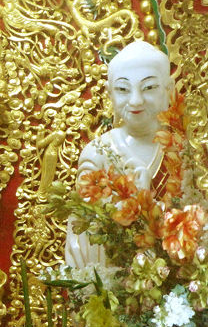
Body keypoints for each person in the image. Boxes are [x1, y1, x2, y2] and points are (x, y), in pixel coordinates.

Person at [64, 40, 172, 268]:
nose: (135, 101)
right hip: (114, 284)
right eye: (123, 89)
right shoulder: (98, 154)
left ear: (168, 90)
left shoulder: (183, 151)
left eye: (149, 87)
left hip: (176, 285)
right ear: (109, 94)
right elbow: (83, 234)